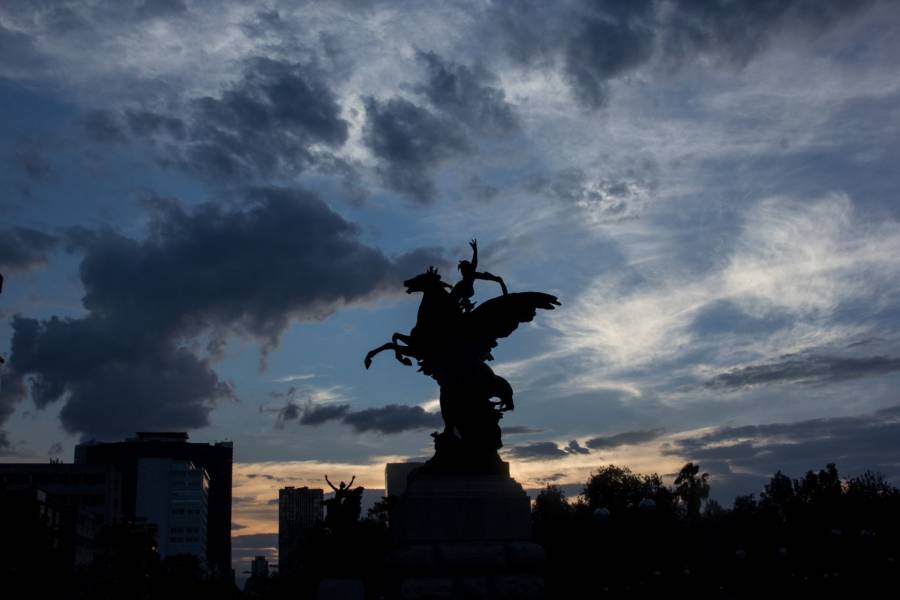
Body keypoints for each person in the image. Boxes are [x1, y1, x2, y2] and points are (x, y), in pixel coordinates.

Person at [450, 239, 507, 312]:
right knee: (457, 290)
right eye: (462, 270)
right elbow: (475, 265)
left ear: (466, 269)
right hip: (465, 291)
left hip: (467, 290)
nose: (462, 272)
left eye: (463, 270)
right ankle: (459, 305)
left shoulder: (471, 274)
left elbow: (475, 265)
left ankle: (460, 305)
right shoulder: (468, 276)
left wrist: (495, 278)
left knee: (457, 290)